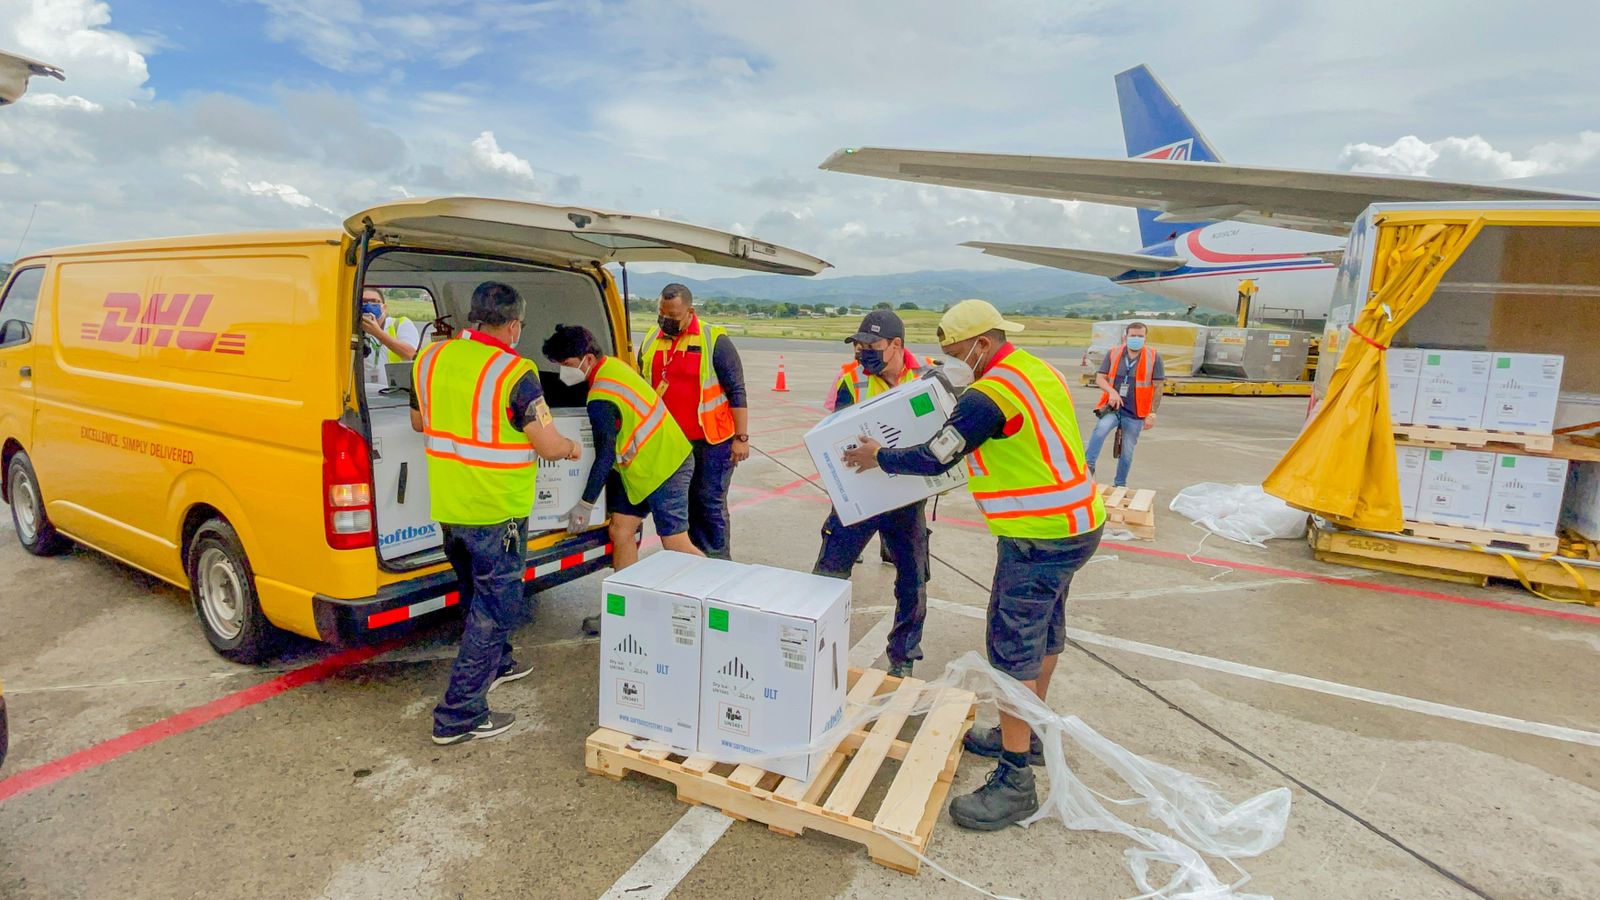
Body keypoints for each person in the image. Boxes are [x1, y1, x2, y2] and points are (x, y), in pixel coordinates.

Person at [840, 299, 1105, 832]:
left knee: (1012, 652)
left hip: (1037, 535)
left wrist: (880, 457)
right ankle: (1025, 737)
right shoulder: (1032, 367)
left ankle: (1014, 781)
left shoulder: (990, 394)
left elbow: (938, 453)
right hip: (1078, 523)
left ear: (982, 343)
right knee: (1045, 633)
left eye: (955, 353)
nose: (950, 363)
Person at [410, 282, 583, 746]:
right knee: (494, 608)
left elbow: (418, 421)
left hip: (450, 507)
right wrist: (569, 448)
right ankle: (459, 714)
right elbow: (546, 443)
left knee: (475, 594)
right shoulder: (514, 371)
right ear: (512, 325)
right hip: (497, 512)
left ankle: (500, 663)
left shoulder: (429, 359)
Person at [544, 323, 703, 635]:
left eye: (565, 365)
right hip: (639, 467)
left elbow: (604, 456)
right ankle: (622, 612)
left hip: (665, 463)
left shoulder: (601, 397)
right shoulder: (613, 366)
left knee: (675, 543)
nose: (563, 372)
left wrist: (585, 504)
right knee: (621, 531)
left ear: (586, 359)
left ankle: (719, 598)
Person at [812, 310, 932, 679]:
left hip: (905, 493)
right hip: (860, 491)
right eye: (858, 345)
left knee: (912, 577)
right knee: (829, 572)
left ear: (897, 346)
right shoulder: (851, 379)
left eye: (871, 345)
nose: (862, 352)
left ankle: (903, 656)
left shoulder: (927, 376)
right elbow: (835, 433)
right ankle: (814, 645)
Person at [638, 283, 749, 559]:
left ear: (690, 311)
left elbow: (737, 390)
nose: (666, 321)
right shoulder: (652, 338)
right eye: (662, 314)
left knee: (708, 503)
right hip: (670, 442)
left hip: (712, 441)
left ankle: (718, 561)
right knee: (681, 504)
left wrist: (741, 437)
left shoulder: (714, 340)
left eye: (673, 316)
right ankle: (689, 561)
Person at [1083, 321, 1164, 488]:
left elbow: (1158, 386)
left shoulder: (1154, 357)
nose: (1136, 339)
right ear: (1125, 337)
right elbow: (1100, 377)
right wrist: (1112, 392)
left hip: (1136, 411)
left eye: (1140, 336)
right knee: (1100, 430)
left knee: (1127, 451)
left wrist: (1152, 412)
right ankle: (1088, 467)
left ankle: (1119, 484)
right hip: (1113, 407)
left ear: (1145, 338)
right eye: (1133, 335)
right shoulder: (1113, 353)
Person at [360, 288, 419, 385]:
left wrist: (377, 333)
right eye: (364, 302)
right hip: (363, 393)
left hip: (395, 393)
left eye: (374, 302)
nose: (368, 305)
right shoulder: (352, 330)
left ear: (384, 307)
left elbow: (410, 354)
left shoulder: (400, 324)